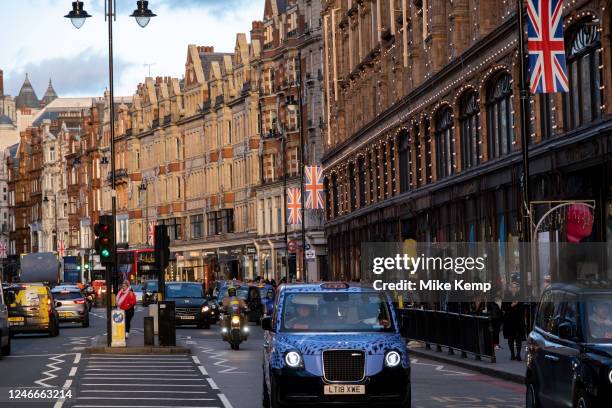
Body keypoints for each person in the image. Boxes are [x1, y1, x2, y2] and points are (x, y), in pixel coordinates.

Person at [502, 281, 526, 361]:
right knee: (511, 339)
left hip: (518, 321)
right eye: (512, 287)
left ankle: (518, 354)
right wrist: (511, 305)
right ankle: (512, 354)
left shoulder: (520, 296)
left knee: (518, 338)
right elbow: (503, 307)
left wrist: (516, 306)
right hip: (509, 321)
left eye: (515, 287)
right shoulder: (507, 296)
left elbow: (522, 307)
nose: (514, 289)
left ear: (517, 288)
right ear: (510, 288)